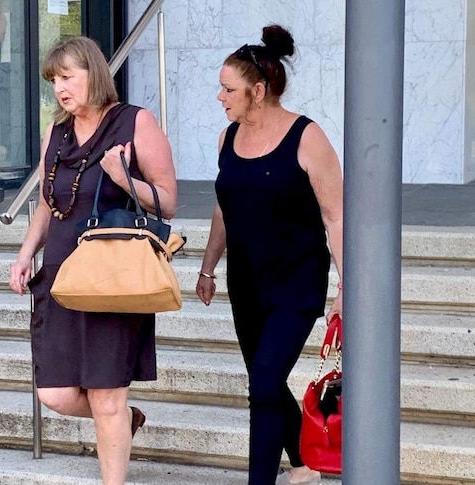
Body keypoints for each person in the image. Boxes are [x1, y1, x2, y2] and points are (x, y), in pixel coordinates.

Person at [8, 36, 177, 485]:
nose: (60, 88)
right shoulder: (56, 132)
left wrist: (123, 176)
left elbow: (168, 202)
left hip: (113, 279)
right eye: (53, 81)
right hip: (62, 277)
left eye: (67, 77)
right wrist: (26, 254)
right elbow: (48, 202)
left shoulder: (135, 122)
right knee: (56, 394)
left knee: (105, 396)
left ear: (94, 73)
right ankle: (126, 420)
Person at [195, 25, 343, 485]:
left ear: (258, 91)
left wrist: (347, 288)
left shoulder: (306, 137)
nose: (220, 96)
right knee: (267, 381)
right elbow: (225, 205)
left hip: (296, 281)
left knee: (261, 382)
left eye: (228, 88)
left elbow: (336, 216)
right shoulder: (227, 139)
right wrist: (207, 266)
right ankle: (303, 463)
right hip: (247, 281)